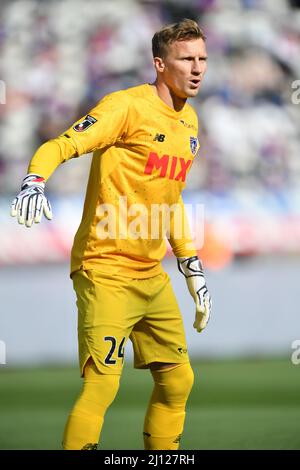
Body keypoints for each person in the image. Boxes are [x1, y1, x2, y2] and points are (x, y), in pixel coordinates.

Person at [10, 18, 211, 450]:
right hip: (104, 268)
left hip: (151, 274)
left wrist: (191, 266)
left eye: (202, 59)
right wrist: (34, 180)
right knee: (103, 385)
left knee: (179, 381)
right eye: (186, 59)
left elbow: (170, 199)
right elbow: (61, 144)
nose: (197, 68)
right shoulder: (125, 107)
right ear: (160, 64)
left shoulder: (189, 123)